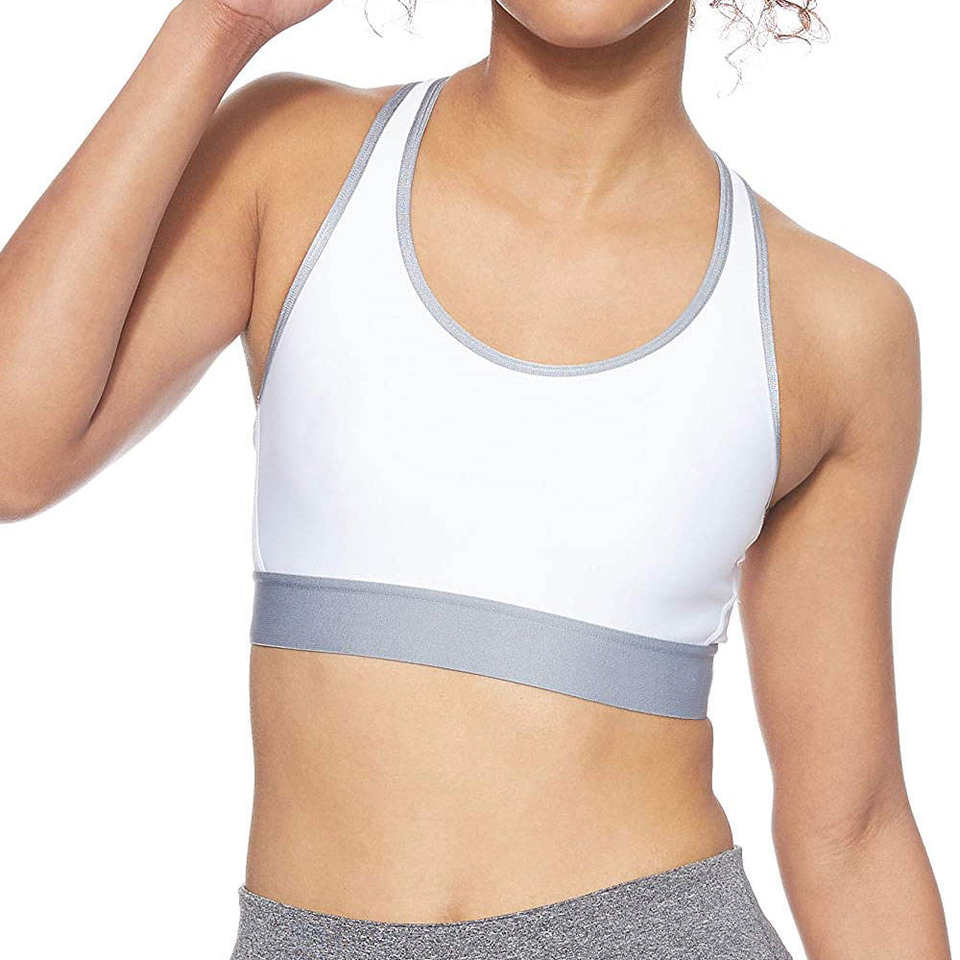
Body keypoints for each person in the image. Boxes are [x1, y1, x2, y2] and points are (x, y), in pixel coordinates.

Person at [0, 1, 951, 957]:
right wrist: (220, 24)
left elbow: (852, 832)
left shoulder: (829, 320)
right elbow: (13, 456)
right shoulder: (293, 164)